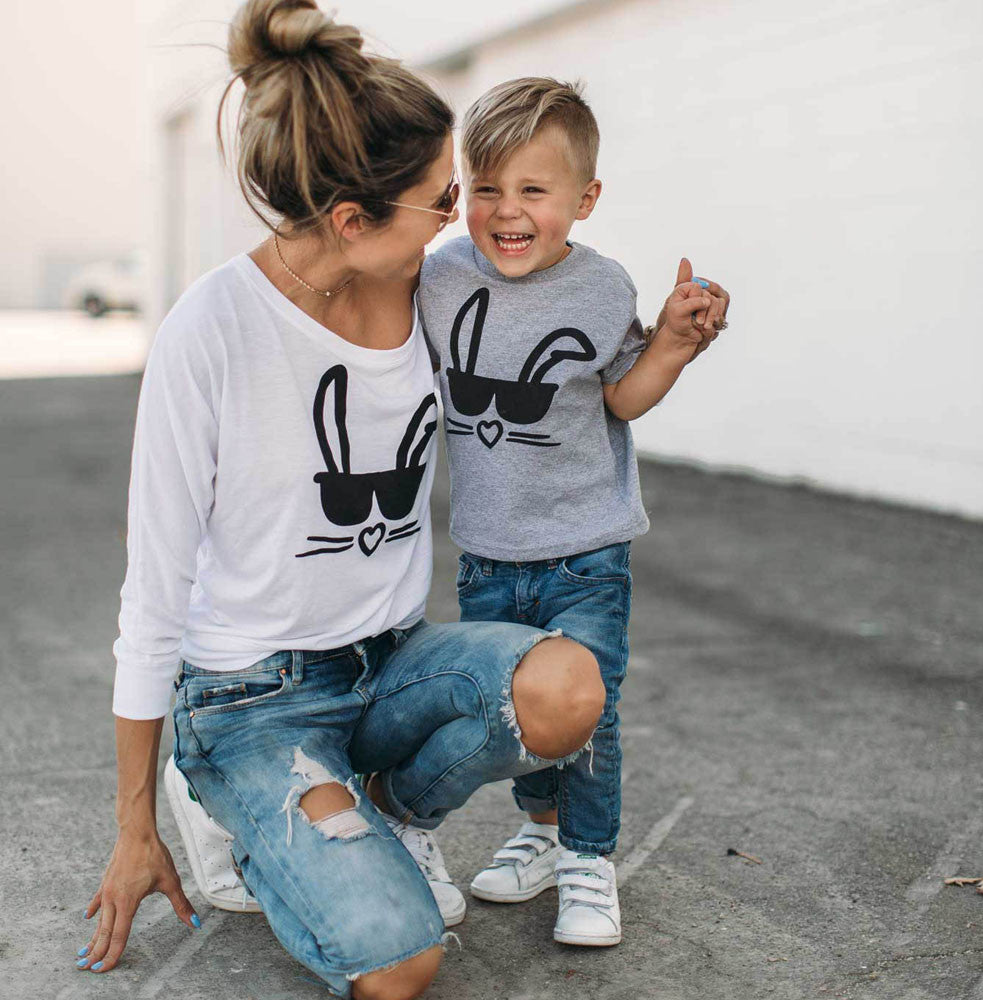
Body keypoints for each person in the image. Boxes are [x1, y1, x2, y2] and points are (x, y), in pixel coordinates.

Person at [76, 6, 613, 998]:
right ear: (352, 221)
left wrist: (656, 347)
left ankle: (378, 807)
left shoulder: (434, 286)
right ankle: (244, 819)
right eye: (439, 199)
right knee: (401, 962)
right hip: (251, 700)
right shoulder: (214, 330)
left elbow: (558, 344)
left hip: (389, 665)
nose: (460, 215)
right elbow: (151, 589)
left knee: (567, 688)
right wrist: (133, 826)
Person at [416, 77, 730, 948]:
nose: (507, 211)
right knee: (516, 711)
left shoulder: (600, 288)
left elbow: (623, 400)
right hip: (487, 552)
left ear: (584, 199)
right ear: (459, 192)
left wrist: (672, 340)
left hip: (586, 551)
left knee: (588, 707)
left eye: (533, 191)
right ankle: (542, 832)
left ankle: (589, 857)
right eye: (487, 188)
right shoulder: (436, 280)